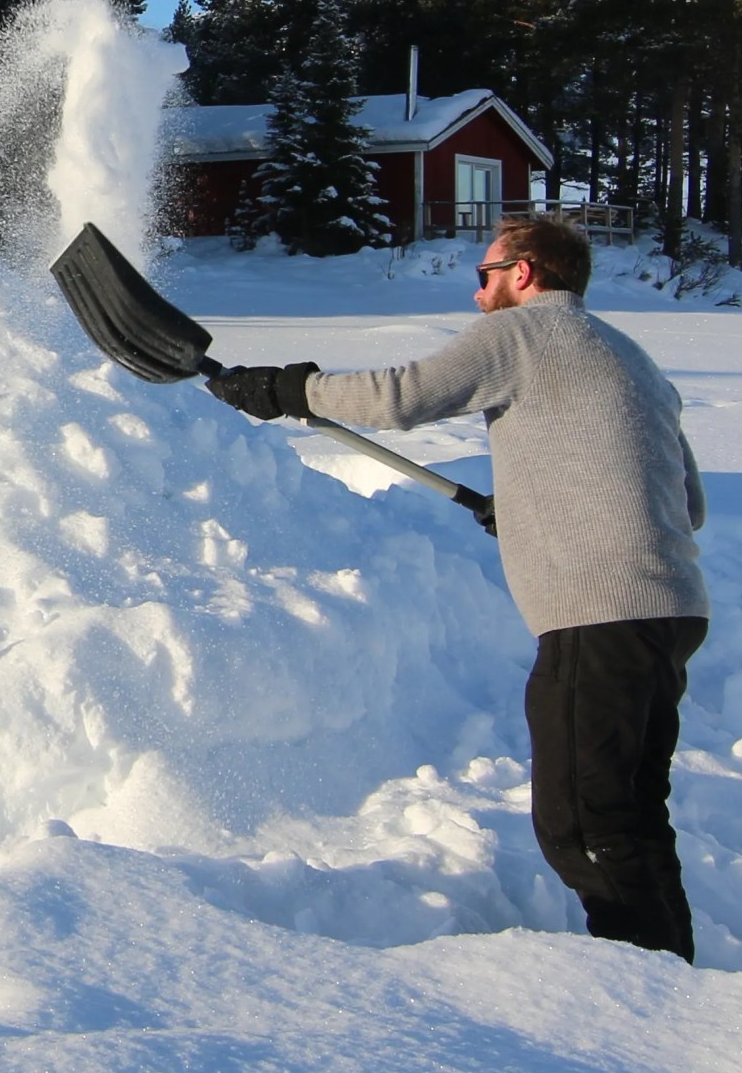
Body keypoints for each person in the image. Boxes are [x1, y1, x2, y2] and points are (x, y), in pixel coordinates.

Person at [205, 213, 709, 962]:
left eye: (485, 276)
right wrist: (541, 506)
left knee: (581, 825)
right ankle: (674, 972)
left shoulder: (525, 334)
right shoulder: (630, 356)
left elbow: (405, 396)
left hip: (597, 618)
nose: (479, 296)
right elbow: (686, 505)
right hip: (668, 613)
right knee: (630, 812)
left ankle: (645, 984)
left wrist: (291, 389)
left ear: (527, 274)